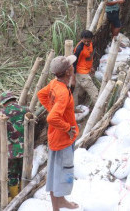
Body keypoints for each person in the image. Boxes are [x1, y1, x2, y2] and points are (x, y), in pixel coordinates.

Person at [37, 55, 79, 211]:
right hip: (62, 139)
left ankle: (59, 202)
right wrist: (67, 127)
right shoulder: (62, 92)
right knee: (62, 173)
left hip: (56, 136)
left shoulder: (54, 83)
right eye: (71, 66)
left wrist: (52, 108)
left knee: (56, 172)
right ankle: (58, 205)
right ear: (68, 71)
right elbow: (52, 118)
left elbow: (41, 94)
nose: (73, 67)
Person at [0, 91, 31, 199]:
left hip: (10, 151)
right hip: (26, 149)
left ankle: (14, 197)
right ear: (14, 99)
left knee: (12, 175)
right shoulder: (26, 110)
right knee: (24, 173)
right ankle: (25, 196)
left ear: (4, 103)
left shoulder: (1, 113)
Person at [73, 30, 99, 105]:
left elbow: (89, 57)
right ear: (81, 39)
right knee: (93, 90)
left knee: (76, 90)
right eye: (85, 41)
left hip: (86, 70)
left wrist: (91, 67)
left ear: (91, 39)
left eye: (88, 41)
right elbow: (74, 62)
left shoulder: (90, 44)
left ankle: (74, 107)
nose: (87, 43)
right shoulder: (79, 49)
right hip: (81, 72)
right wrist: (73, 75)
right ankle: (99, 106)